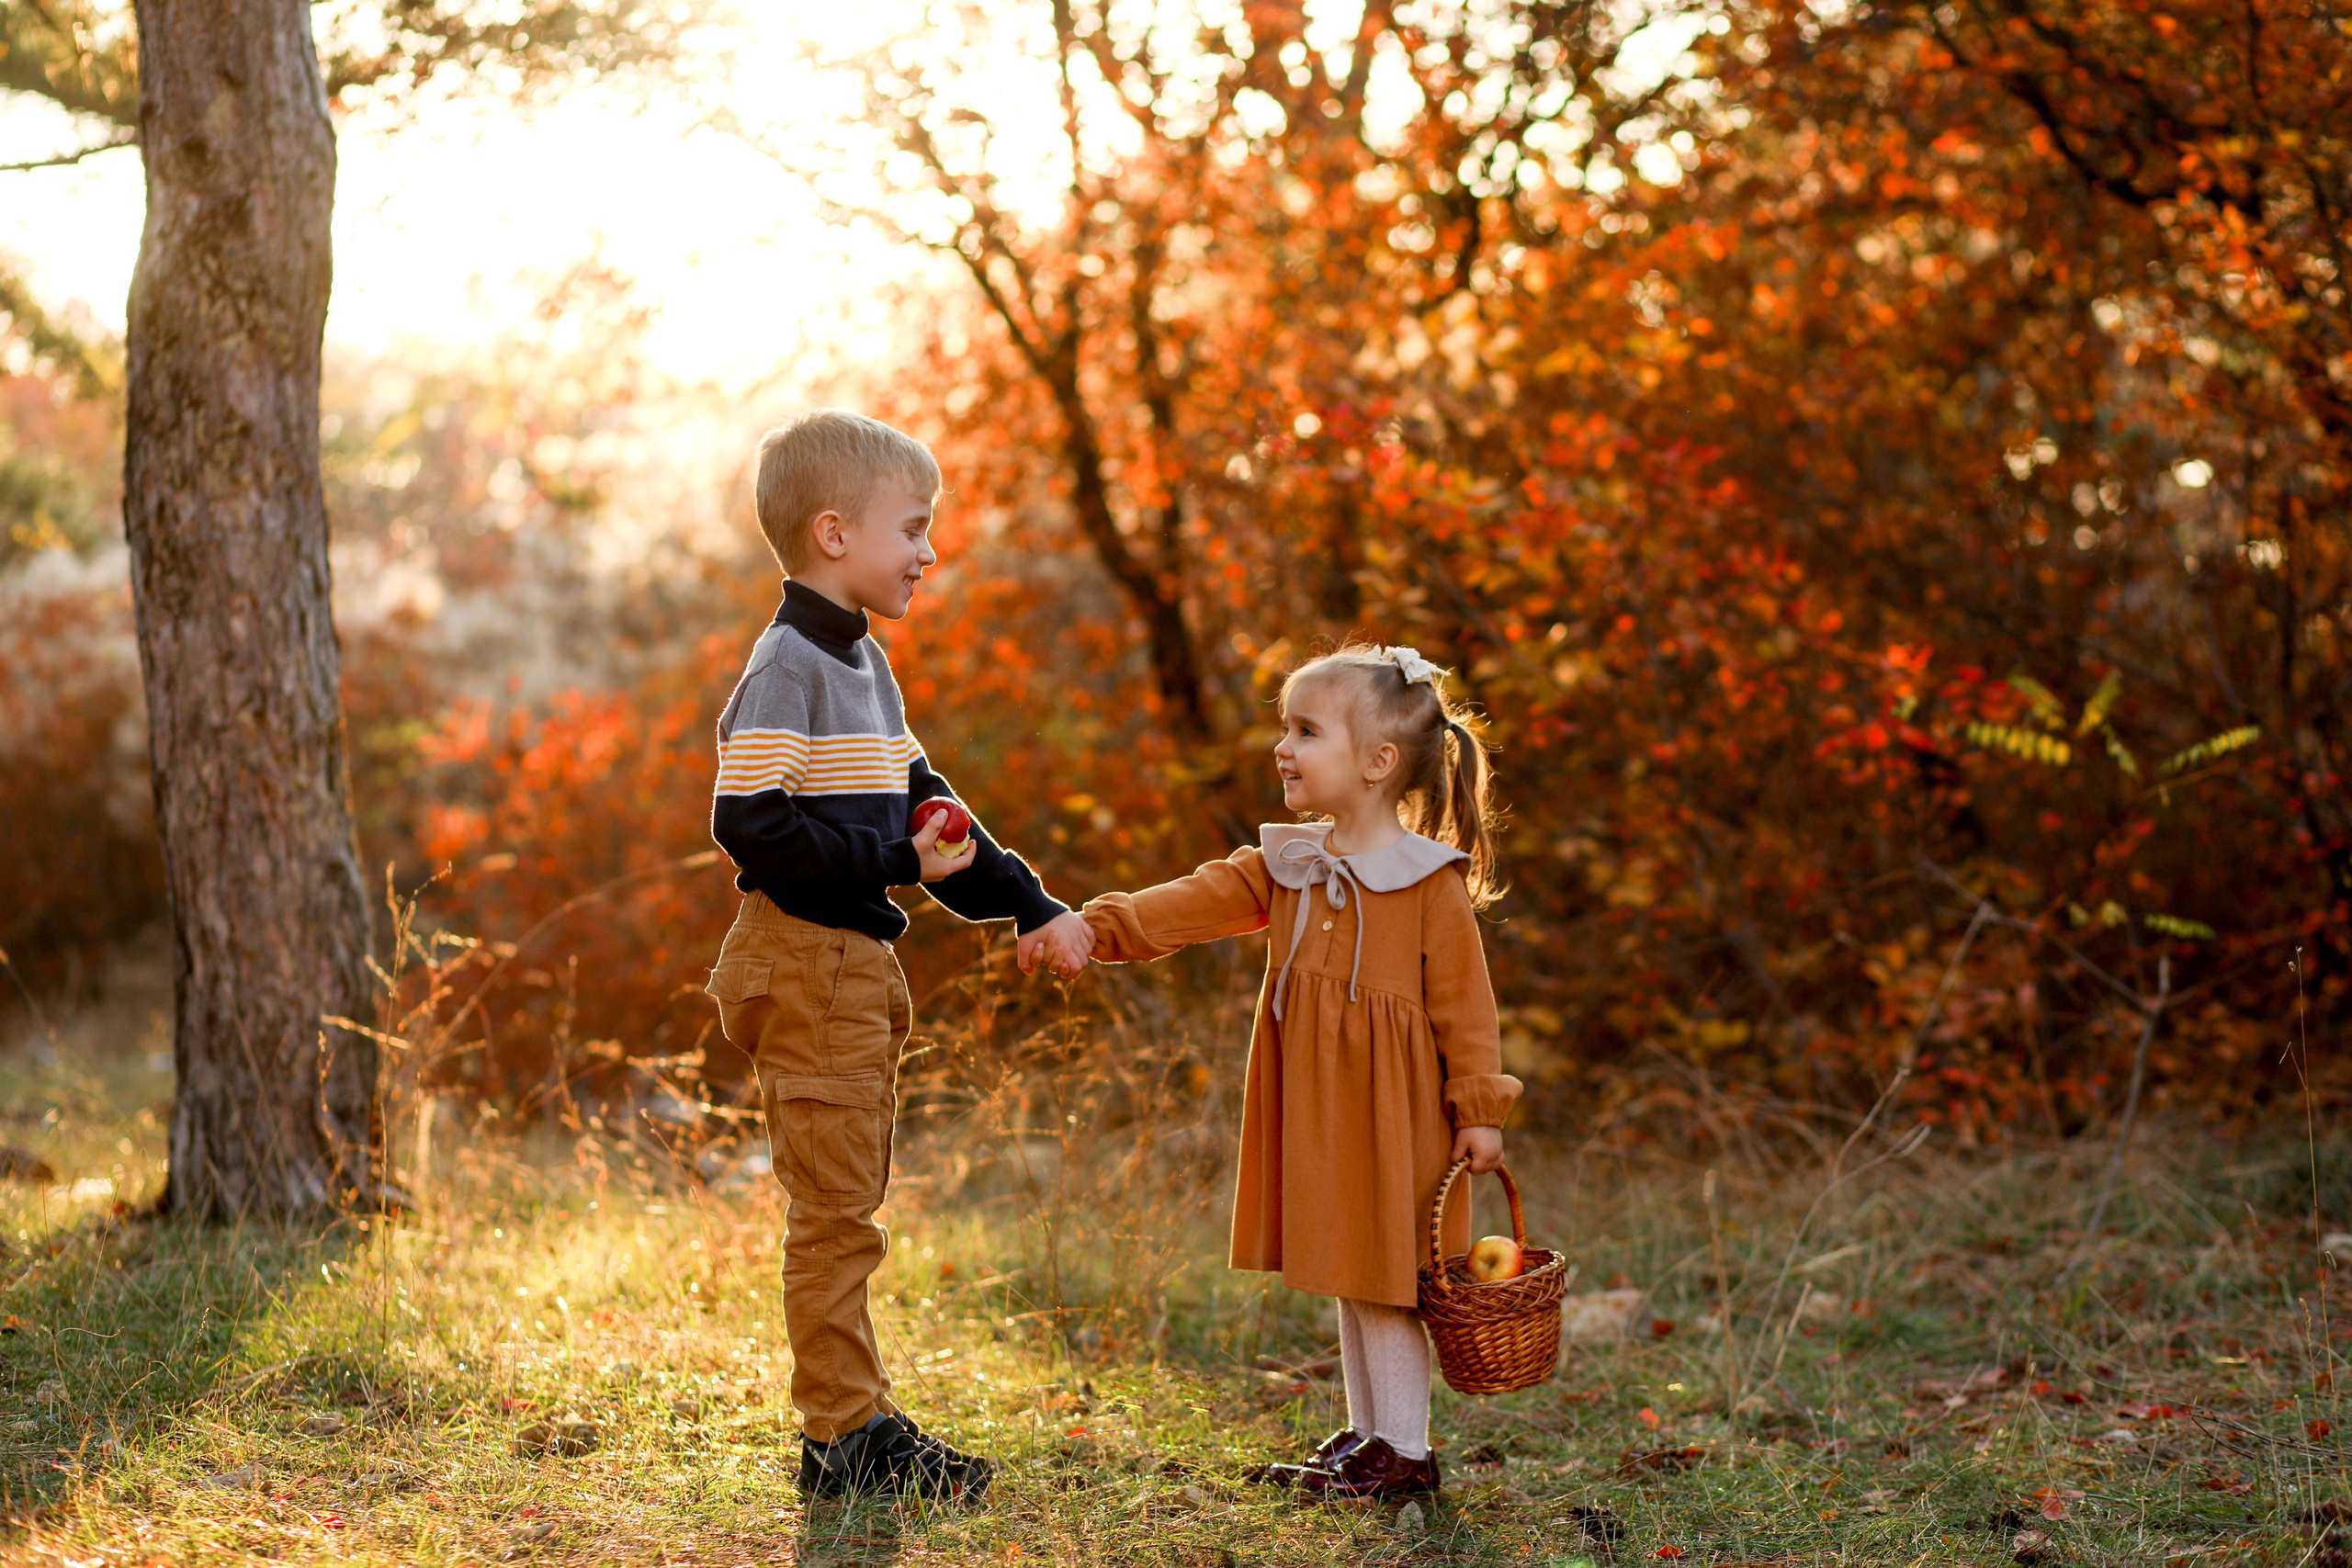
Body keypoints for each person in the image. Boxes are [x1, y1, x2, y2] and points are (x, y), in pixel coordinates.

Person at [703, 410, 1096, 1503]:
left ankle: (856, 1426)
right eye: (913, 529)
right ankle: (845, 1443)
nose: (928, 552)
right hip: (806, 960)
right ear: (835, 534)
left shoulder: (862, 663)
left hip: (848, 965)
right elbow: (751, 825)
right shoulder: (790, 665)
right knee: (834, 1218)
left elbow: (935, 818)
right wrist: (894, 859)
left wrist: (1032, 907)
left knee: (849, 1208)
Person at [1080, 643, 1520, 1500]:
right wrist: (1100, 927)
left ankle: (1406, 1452)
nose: (1283, 747)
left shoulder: (1427, 883)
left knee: (1392, 1280)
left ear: (1376, 761)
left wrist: (1479, 1109)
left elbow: (1468, 1010)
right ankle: (1369, 1440)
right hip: (1324, 1109)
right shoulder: (1289, 863)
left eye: (1306, 730)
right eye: (1285, 727)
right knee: (1352, 1270)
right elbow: (1194, 899)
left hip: (1399, 1118)